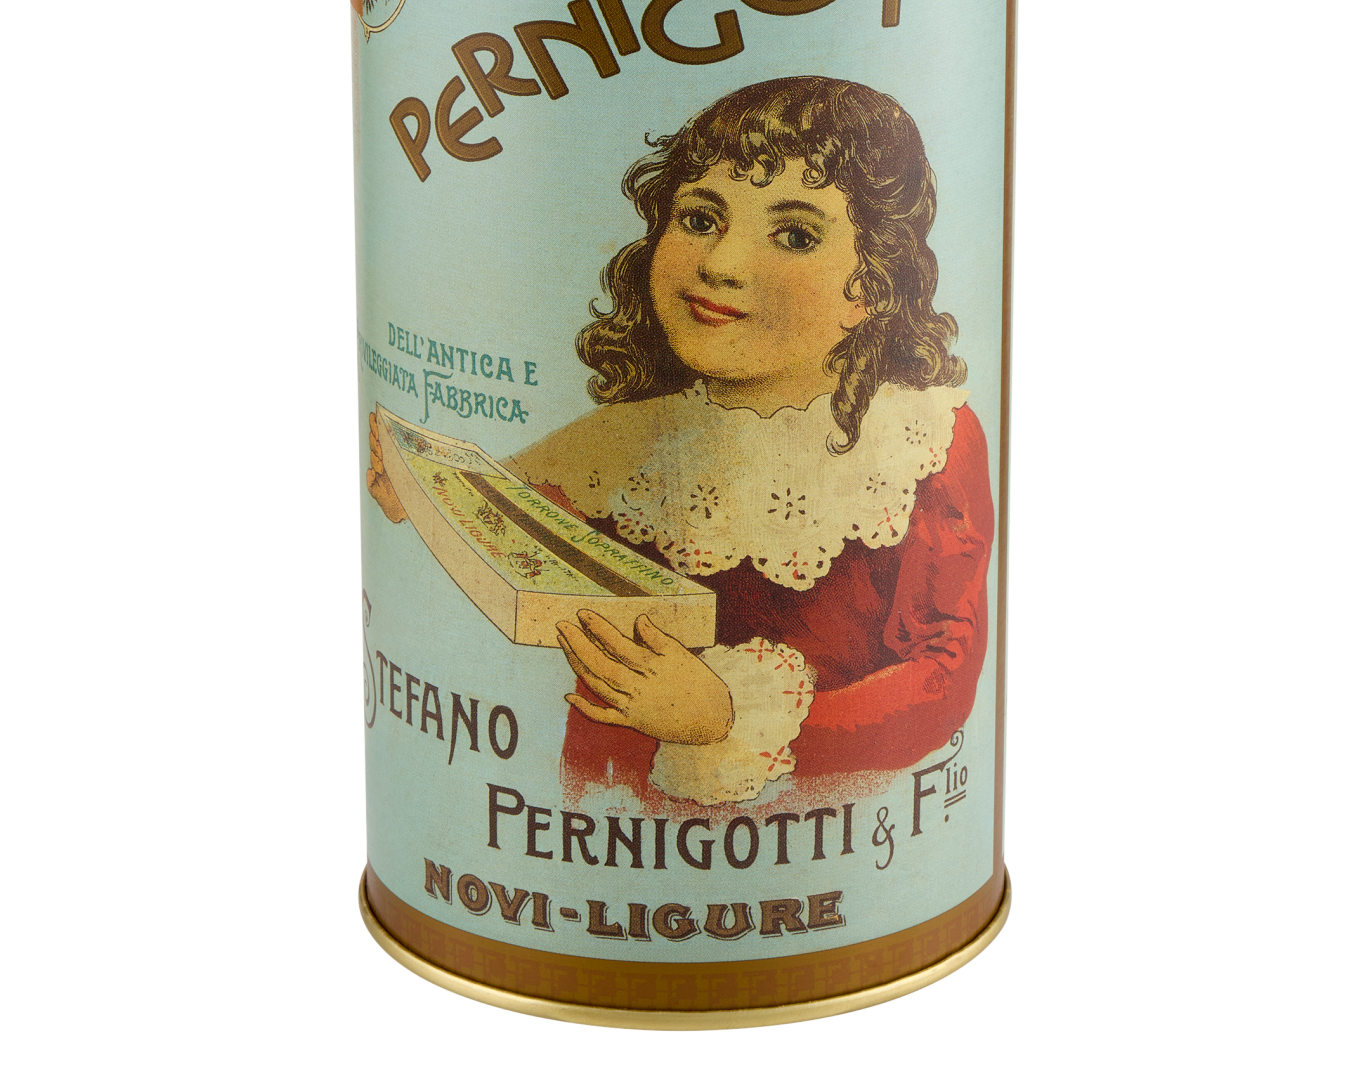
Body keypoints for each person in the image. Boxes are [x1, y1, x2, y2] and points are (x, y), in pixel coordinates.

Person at [369, 76, 992, 808]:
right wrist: (409, 490)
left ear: (872, 283)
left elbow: (943, 676)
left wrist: (723, 715)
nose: (720, 265)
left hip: (826, 818)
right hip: (594, 817)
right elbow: (497, 525)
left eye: (795, 235)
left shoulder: (921, 439)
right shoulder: (625, 439)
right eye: (699, 219)